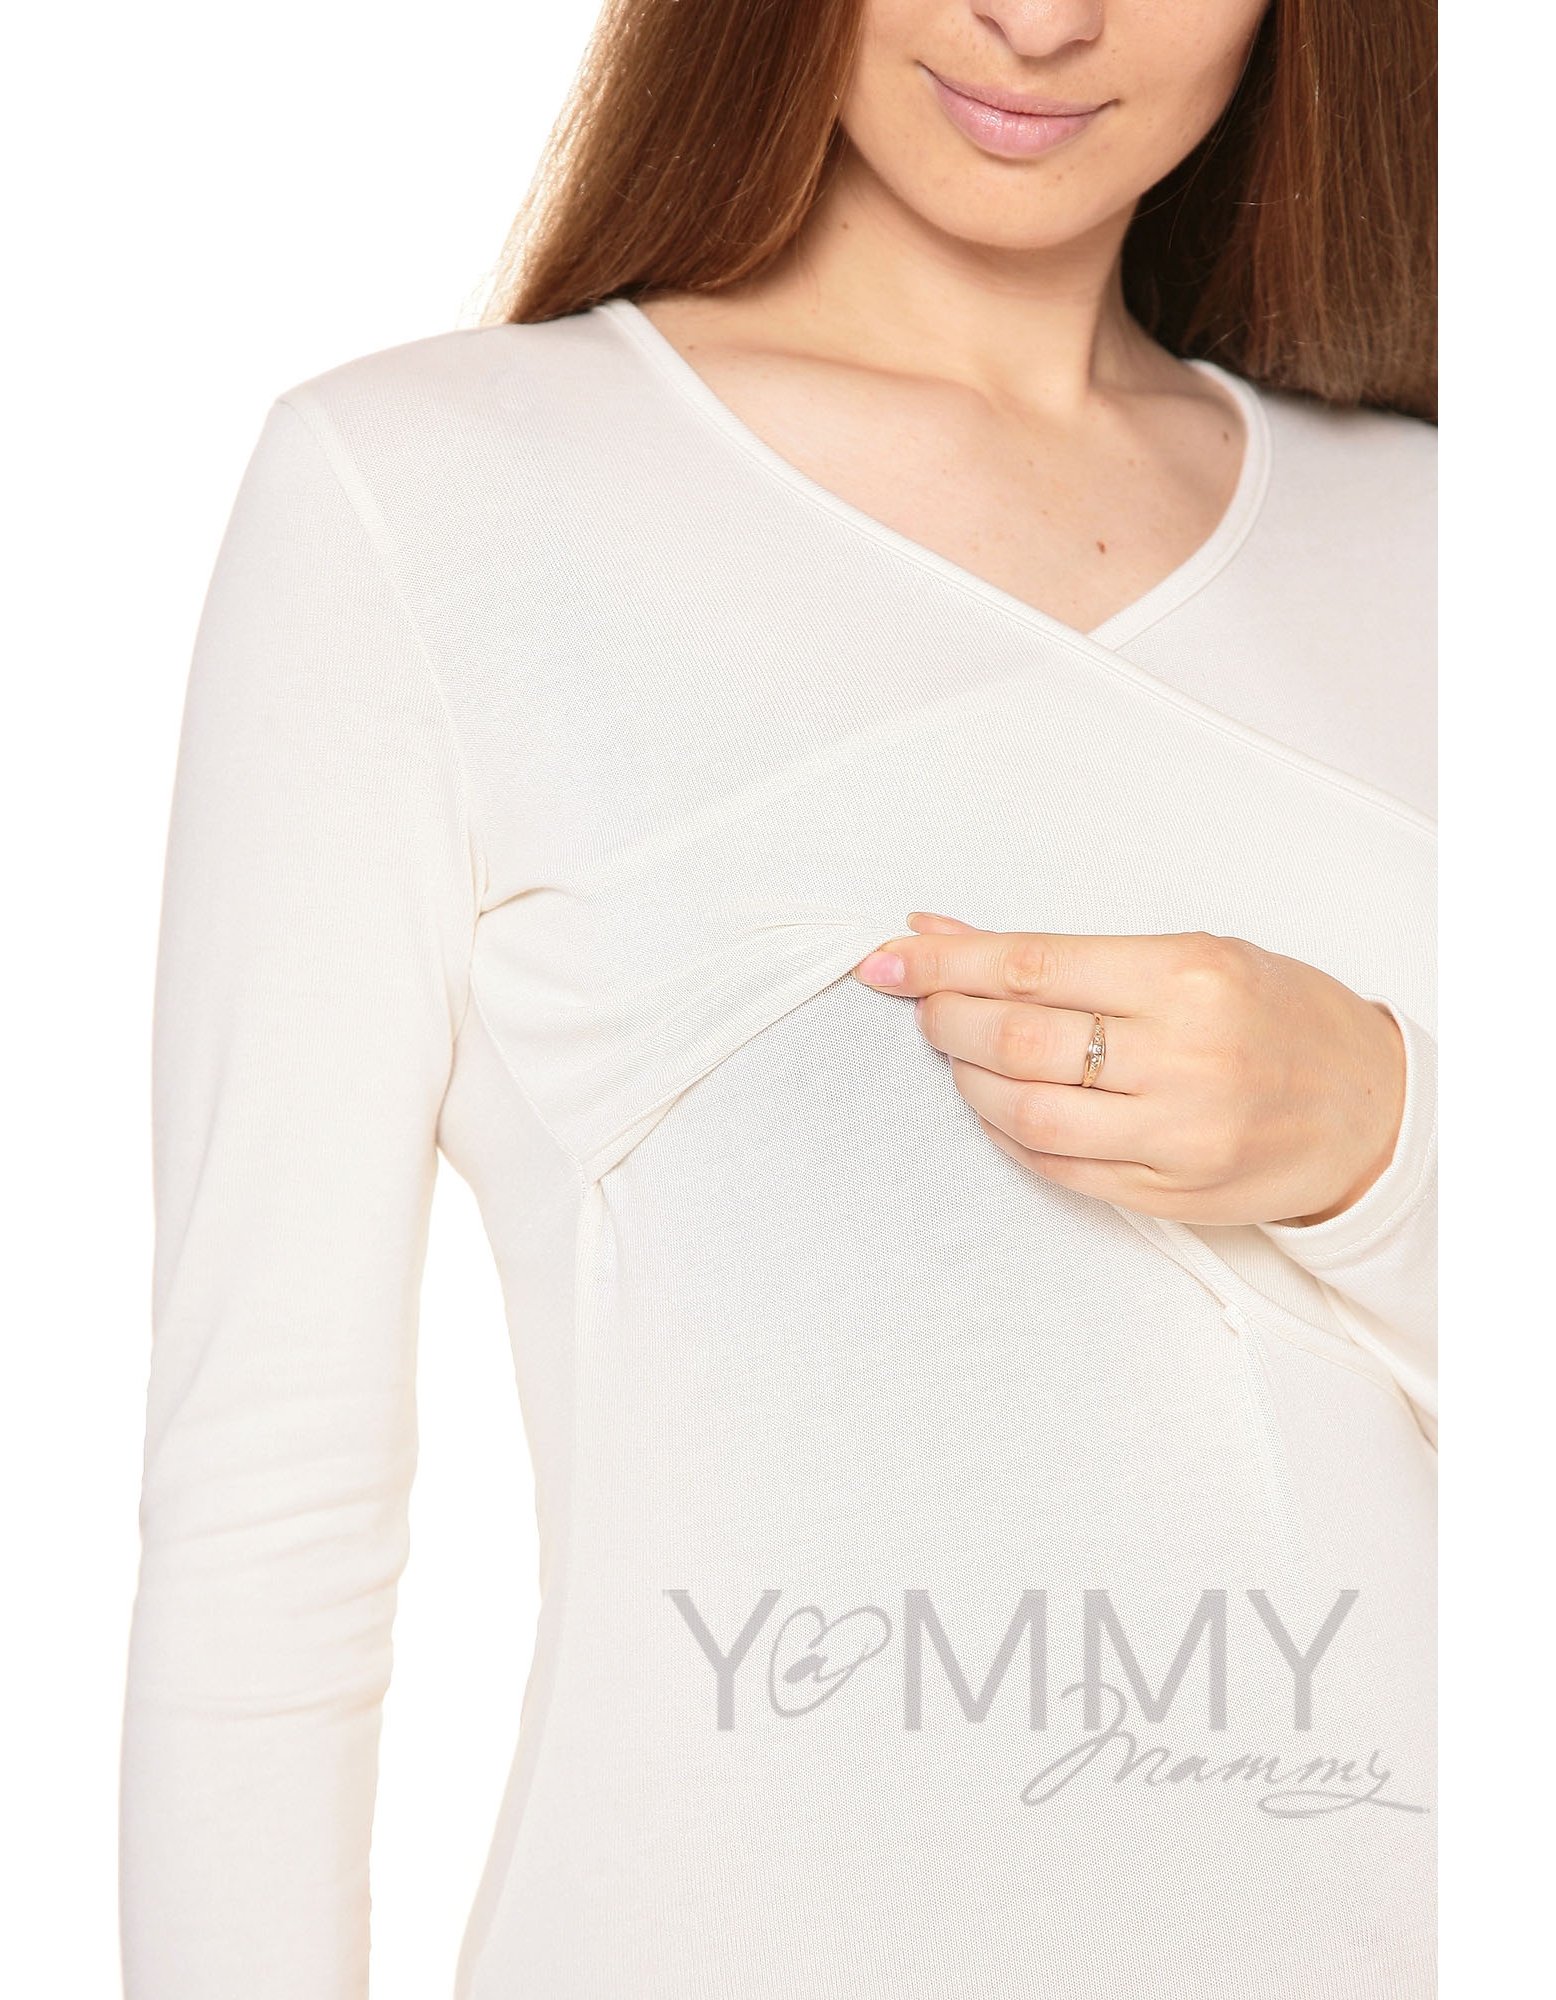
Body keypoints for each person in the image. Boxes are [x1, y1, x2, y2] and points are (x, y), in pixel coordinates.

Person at [119, 0, 1437, 1994]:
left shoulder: (1448, 549)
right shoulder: (433, 493)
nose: (1043, 21)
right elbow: (264, 1506)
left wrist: (1386, 1143)